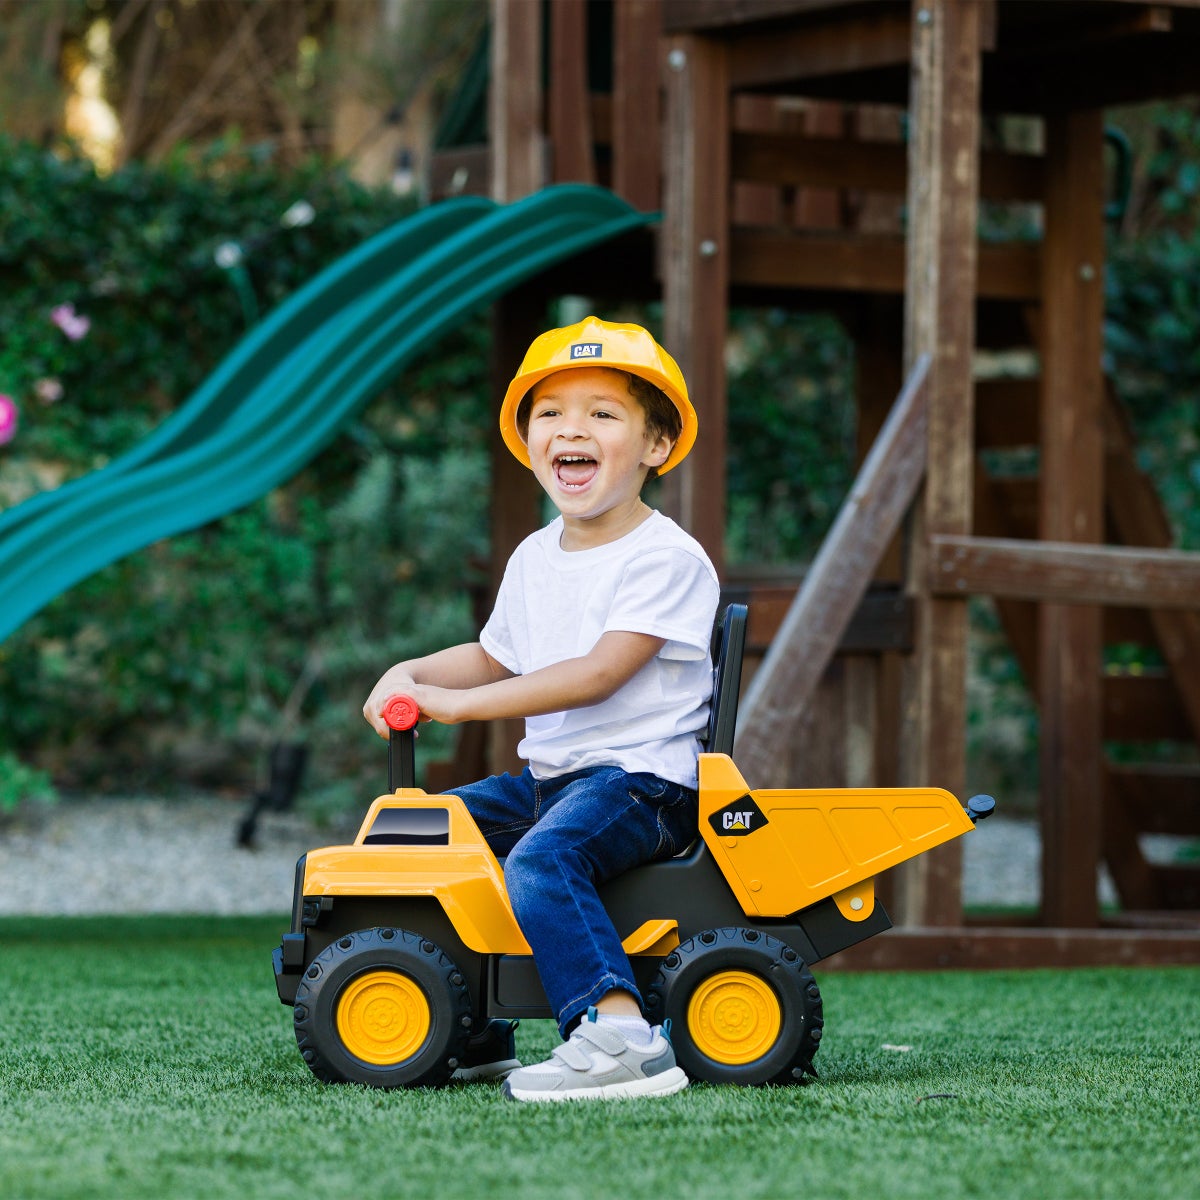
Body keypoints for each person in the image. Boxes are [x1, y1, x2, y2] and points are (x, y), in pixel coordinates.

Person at [363, 315, 719, 1103]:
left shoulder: (665, 557)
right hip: (554, 781)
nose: (572, 429)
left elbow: (598, 674)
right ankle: (469, 1023)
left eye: (603, 413)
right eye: (550, 412)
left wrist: (456, 706)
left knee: (541, 860)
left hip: (643, 784)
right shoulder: (536, 553)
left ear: (657, 445)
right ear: (528, 441)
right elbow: (497, 655)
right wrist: (409, 671)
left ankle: (621, 1033)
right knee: (424, 835)